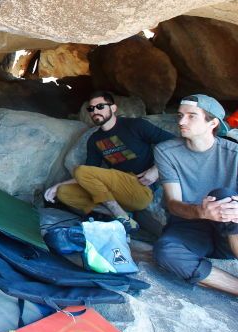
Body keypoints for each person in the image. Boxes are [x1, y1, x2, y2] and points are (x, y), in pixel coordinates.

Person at [44, 91, 175, 231]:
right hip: (115, 190)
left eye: (100, 106)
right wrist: (58, 186)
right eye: (91, 108)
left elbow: (174, 142)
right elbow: (87, 173)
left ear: (113, 108)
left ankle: (121, 217)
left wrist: (155, 170)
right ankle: (120, 214)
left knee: (80, 171)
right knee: (64, 192)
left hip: (141, 189)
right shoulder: (94, 140)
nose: (95, 111)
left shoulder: (135, 125)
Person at [153, 94, 238, 296]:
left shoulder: (234, 153)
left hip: (230, 231)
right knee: (164, 252)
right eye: (180, 115)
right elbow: (174, 204)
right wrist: (201, 211)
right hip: (189, 227)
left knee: (224, 196)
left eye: (192, 116)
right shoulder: (166, 151)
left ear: (213, 123)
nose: (182, 121)